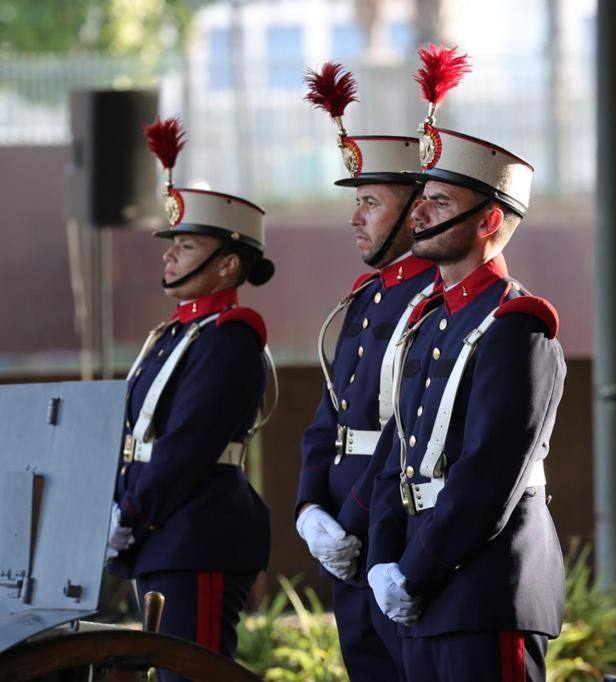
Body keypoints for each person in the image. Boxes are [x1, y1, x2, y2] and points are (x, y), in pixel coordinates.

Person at [364, 45, 565, 682]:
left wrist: (413, 570)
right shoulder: (430, 318)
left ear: (491, 221)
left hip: (483, 590)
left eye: (441, 202)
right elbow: (398, 452)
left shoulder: (516, 325)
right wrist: (382, 558)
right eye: (421, 197)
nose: (419, 211)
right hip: (425, 591)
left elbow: (486, 476)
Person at [106, 116, 276, 681]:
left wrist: (130, 513)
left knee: (192, 676)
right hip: (162, 535)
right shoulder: (178, 333)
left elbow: (187, 447)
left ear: (228, 263)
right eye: (172, 245)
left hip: (196, 533)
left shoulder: (230, 339)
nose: (169, 257)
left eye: (187, 246)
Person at [295, 62, 435, 681]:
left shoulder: (437, 297)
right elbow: (332, 409)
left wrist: (350, 518)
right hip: (345, 535)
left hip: (396, 533)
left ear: (417, 212)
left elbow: (414, 426)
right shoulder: (368, 295)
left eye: (370, 202)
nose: (356, 218)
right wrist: (308, 506)